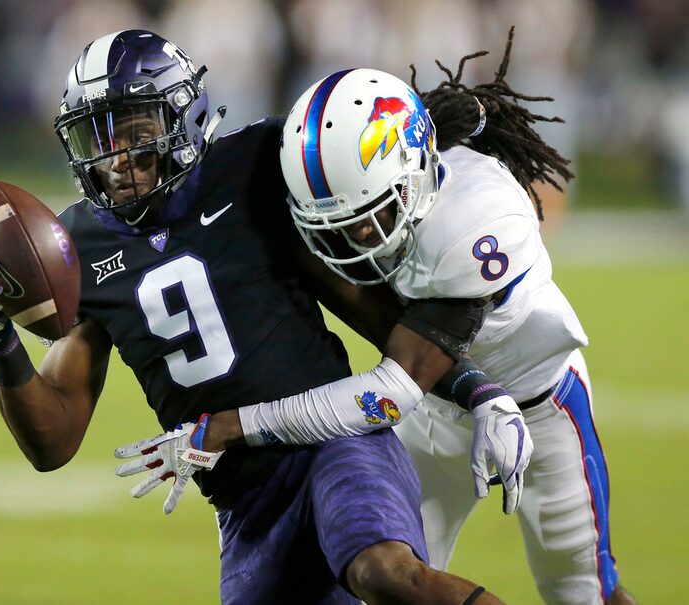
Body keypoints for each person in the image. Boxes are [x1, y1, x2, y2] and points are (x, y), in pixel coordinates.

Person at [0, 29, 515, 604]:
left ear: (183, 118)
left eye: (136, 131)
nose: (115, 158)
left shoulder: (253, 167)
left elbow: (364, 306)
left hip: (335, 441)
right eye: (97, 136)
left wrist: (473, 385)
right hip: (245, 503)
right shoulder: (81, 244)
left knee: (386, 573)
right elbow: (54, 441)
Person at [177, 31, 634, 605]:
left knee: (583, 593)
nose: (356, 240)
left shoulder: (477, 224)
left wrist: (237, 424)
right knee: (395, 589)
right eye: (336, 226)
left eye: (371, 216)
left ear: (416, 175)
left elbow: (391, 391)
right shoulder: (377, 178)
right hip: (437, 412)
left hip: (541, 408)